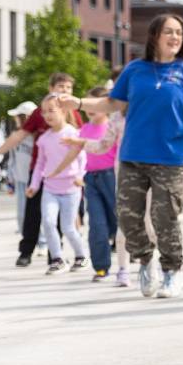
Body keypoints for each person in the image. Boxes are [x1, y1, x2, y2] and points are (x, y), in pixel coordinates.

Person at [67, 15, 183, 299]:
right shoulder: (135, 70)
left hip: (169, 157)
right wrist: (78, 102)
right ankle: (145, 261)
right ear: (154, 37)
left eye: (178, 33)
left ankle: (173, 272)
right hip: (132, 157)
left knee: (165, 218)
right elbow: (113, 103)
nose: (175, 37)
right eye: (168, 32)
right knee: (128, 218)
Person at [0, 75, 79, 267]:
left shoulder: (74, 112)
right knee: (33, 212)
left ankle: (55, 254)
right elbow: (19, 135)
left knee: (60, 216)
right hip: (39, 170)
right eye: (61, 87)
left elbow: (81, 144)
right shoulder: (41, 112)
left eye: (69, 88)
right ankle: (26, 252)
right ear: (50, 88)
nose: (65, 91)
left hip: (66, 175)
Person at [27, 94, 88, 274]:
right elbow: (39, 165)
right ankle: (57, 259)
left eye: (51, 110)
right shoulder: (44, 138)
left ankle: (81, 256)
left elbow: (82, 158)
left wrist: (79, 176)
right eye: (44, 112)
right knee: (47, 221)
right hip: (50, 188)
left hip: (71, 188)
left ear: (63, 110)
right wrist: (34, 185)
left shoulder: (72, 134)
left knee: (68, 227)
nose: (47, 115)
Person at [75, 87, 119, 280]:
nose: (91, 108)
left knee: (117, 220)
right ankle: (101, 266)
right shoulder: (83, 129)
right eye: (88, 104)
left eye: (96, 104)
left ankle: (133, 250)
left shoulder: (112, 126)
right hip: (91, 179)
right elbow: (75, 151)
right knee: (96, 223)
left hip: (112, 177)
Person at [3, 101, 36, 232]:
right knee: (22, 214)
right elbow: (12, 159)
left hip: (35, 179)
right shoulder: (15, 136)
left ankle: (42, 242)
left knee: (36, 212)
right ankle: (27, 238)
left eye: (18, 116)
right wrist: (10, 180)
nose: (15, 119)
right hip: (21, 180)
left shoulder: (37, 136)